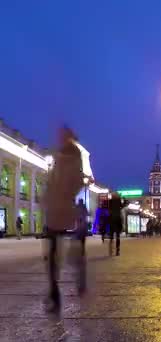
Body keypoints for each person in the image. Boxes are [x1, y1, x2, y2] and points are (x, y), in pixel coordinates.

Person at [43, 126, 83, 313]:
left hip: (63, 207)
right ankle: (54, 291)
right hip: (57, 207)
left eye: (63, 135)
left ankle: (75, 277)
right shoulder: (58, 155)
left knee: (62, 249)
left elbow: (76, 181)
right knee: (52, 251)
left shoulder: (73, 156)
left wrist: (65, 194)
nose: (60, 137)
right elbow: (52, 180)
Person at [74, 199, 88, 294]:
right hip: (82, 225)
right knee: (82, 238)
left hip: (79, 225)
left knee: (79, 236)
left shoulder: (78, 207)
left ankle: (80, 249)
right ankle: (82, 249)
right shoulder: (83, 207)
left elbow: (74, 214)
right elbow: (86, 214)